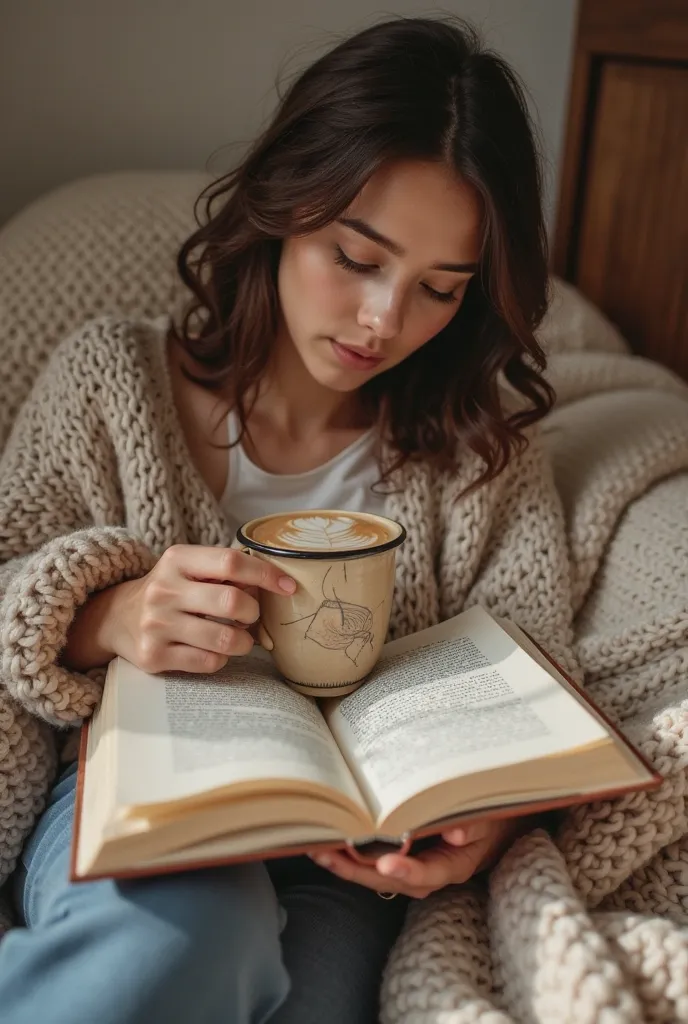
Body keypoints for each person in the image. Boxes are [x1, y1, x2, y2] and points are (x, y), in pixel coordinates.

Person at [0, 15, 575, 1024]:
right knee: (175, 950)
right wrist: (107, 616)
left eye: (439, 289)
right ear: (282, 208)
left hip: (346, 873)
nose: (383, 323)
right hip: (144, 812)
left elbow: (537, 685)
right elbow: (8, 573)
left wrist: (490, 821)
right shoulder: (108, 382)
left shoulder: (483, 460)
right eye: (356, 257)